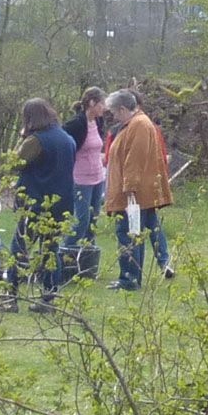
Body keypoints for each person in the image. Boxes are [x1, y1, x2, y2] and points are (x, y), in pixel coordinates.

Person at [103, 89, 174, 291]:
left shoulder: (139, 125)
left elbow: (135, 158)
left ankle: (130, 279)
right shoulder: (135, 124)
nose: (114, 117)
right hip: (134, 192)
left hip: (133, 194)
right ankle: (132, 277)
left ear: (123, 109)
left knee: (128, 234)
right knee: (134, 234)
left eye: (114, 112)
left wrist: (129, 188)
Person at [10, 98, 75, 312]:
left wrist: (23, 137)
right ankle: (49, 297)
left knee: (19, 249)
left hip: (35, 203)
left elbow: (13, 164)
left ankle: (9, 297)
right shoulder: (67, 138)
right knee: (50, 251)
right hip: (61, 204)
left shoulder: (36, 141)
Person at [62, 88, 107, 273]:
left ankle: (88, 262)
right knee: (81, 219)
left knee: (93, 219)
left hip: (98, 177)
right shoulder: (76, 124)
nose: (104, 107)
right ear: (92, 103)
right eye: (101, 103)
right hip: (80, 178)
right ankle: (65, 256)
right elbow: (64, 145)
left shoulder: (98, 121)